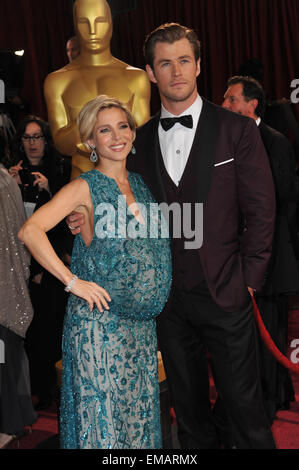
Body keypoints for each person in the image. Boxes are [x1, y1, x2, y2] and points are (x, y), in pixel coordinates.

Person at [68, 23, 276, 449]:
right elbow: (119, 201)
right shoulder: (136, 141)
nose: (176, 72)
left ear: (199, 66)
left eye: (184, 61)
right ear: (149, 72)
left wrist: (250, 280)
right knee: (190, 414)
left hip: (226, 292)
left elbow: (262, 210)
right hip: (166, 302)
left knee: (245, 411)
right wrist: (84, 218)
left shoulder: (237, 130)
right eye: (165, 64)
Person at [18, 95, 172, 449]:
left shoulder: (142, 185)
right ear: (90, 141)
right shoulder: (84, 186)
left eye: (123, 126)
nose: (116, 136)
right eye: (105, 130)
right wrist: (73, 283)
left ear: (133, 133)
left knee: (136, 424)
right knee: (102, 427)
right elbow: (30, 231)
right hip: (98, 328)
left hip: (140, 331)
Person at [222, 75, 299, 422]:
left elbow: (282, 196)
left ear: (252, 104)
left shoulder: (275, 141)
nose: (224, 106)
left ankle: (270, 401)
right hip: (237, 258)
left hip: (272, 260)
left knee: (271, 334)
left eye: (231, 99)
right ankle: (264, 397)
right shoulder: (226, 142)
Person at [44, 0, 151, 179]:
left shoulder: (135, 78)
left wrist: (91, 126)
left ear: (110, 23)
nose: (92, 30)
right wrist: (98, 120)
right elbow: (61, 143)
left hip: (127, 180)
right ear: (75, 26)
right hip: (81, 179)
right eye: (84, 22)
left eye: (100, 21)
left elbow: (142, 138)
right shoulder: (57, 81)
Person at [9, 115, 72, 411]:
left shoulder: (60, 173)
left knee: (51, 326)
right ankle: (34, 389)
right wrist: (7, 191)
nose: (33, 143)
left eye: (38, 137)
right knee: (28, 331)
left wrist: (50, 191)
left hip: (51, 263)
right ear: (20, 142)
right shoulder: (11, 177)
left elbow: (63, 228)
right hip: (17, 266)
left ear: (46, 141)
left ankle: (54, 389)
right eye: (27, 137)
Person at [0, 136, 37, 448]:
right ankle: (14, 419)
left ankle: (9, 424)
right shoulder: (3, 178)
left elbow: (16, 238)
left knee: (4, 359)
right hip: (9, 286)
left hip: (4, 289)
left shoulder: (1, 182)